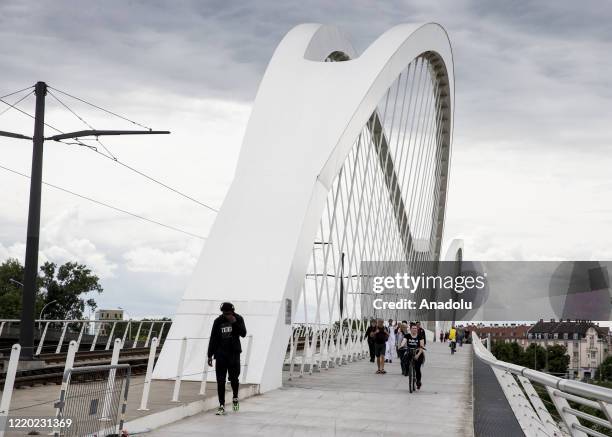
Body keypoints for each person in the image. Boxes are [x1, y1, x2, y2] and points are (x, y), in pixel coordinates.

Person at [207, 302, 247, 415]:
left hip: (234, 354)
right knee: (220, 381)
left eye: (229, 313)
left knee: (234, 378)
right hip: (221, 354)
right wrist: (209, 355)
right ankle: (221, 405)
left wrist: (234, 323)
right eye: (225, 313)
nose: (227, 315)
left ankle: (235, 397)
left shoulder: (238, 318)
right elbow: (213, 338)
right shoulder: (218, 321)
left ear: (233, 311)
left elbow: (243, 333)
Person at [404, 323, 425, 389]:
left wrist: (418, 355)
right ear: (410, 329)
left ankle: (418, 381)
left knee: (417, 368)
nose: (414, 329)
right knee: (404, 359)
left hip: (418, 352)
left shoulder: (420, 336)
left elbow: (422, 347)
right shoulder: (407, 335)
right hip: (410, 351)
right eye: (413, 328)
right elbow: (404, 341)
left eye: (415, 328)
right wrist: (401, 346)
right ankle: (408, 371)